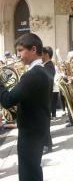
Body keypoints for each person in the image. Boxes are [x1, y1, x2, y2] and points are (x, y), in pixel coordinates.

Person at [0, 33, 52, 181]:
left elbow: (7, 100)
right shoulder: (40, 71)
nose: (18, 55)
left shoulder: (33, 74)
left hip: (31, 130)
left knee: (28, 172)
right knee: (32, 168)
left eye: (21, 50)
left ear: (34, 49)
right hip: (37, 127)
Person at [42, 46, 56, 154]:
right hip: (46, 98)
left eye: (40, 53)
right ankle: (46, 144)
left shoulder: (49, 66)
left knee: (45, 123)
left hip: (46, 98)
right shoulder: (46, 66)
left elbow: (48, 82)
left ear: (46, 54)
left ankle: (47, 145)